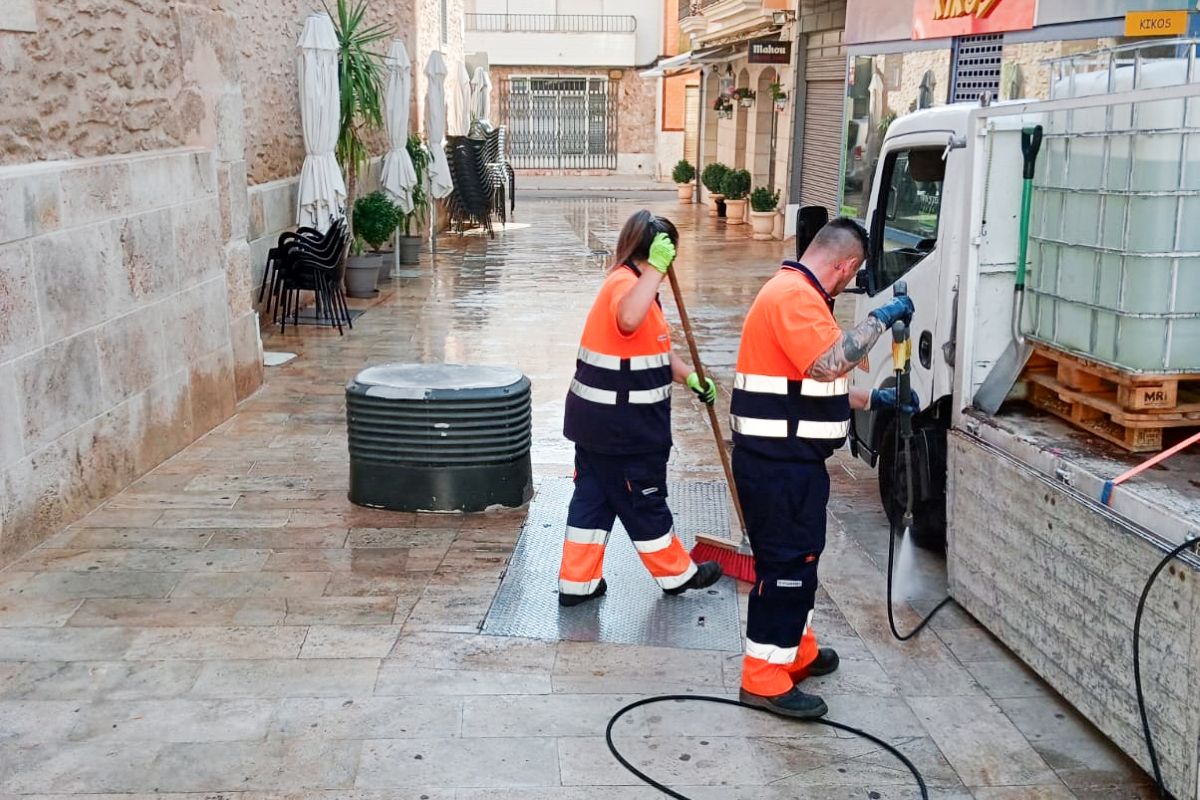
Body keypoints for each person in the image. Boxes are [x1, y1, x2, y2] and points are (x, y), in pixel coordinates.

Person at [731, 218, 916, 718]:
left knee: (802, 560)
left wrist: (875, 400)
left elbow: (812, 383)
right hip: (777, 465)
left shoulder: (801, 294)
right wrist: (882, 318)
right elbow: (829, 363)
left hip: (789, 462)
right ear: (846, 265)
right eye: (852, 275)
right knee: (787, 567)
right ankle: (763, 677)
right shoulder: (793, 296)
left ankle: (794, 650)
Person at [558, 210, 724, 607]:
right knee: (644, 501)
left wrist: (688, 377)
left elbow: (653, 348)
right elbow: (629, 320)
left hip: (598, 426)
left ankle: (578, 583)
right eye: (670, 256)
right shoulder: (626, 284)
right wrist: (656, 270)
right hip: (625, 431)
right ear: (657, 253)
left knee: (593, 501)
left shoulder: (639, 287)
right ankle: (677, 575)